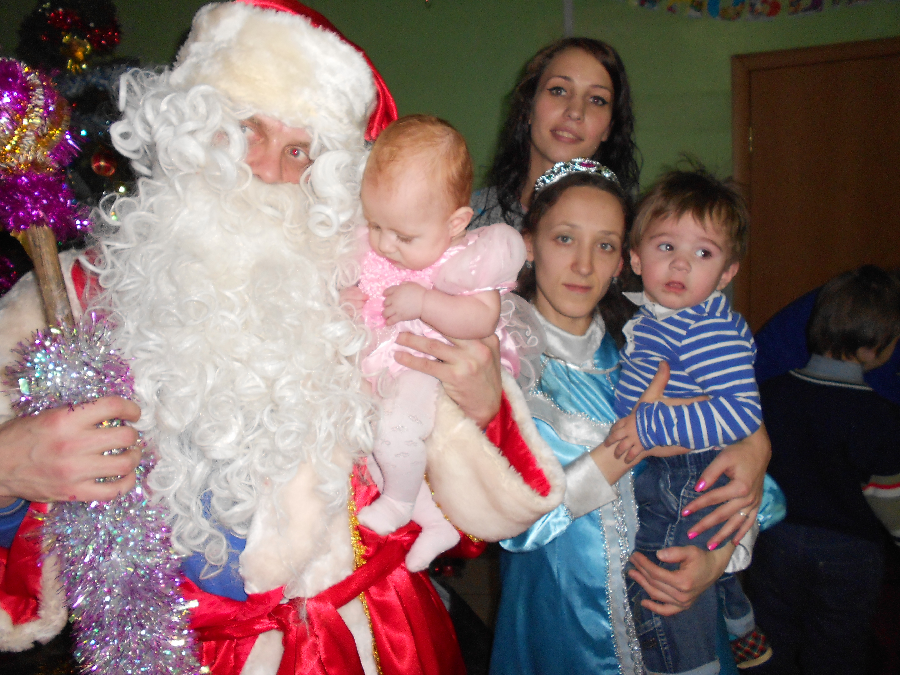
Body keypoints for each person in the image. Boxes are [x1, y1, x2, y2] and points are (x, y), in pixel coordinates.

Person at [0, 2, 567, 671]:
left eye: (299, 150)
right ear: (191, 126)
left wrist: (480, 408)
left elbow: (469, 531)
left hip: (366, 641)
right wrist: (6, 468)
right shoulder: (71, 300)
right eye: (247, 129)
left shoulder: (378, 294)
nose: (266, 169)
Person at [491, 160, 769, 675]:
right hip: (564, 628)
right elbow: (509, 523)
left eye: (604, 245)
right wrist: (625, 449)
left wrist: (715, 560)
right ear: (529, 244)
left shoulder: (643, 352)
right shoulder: (498, 363)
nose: (583, 265)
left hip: (679, 612)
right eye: (564, 239)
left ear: (625, 260)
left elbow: (753, 490)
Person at [604, 166, 766, 674]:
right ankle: (740, 624)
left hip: (683, 473)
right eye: (666, 246)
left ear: (726, 274)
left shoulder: (705, 329)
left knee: (662, 583)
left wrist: (649, 426)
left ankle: (690, 663)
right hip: (673, 466)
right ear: (636, 257)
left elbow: (741, 411)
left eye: (703, 253)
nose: (681, 263)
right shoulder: (659, 317)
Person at [348, 115, 526, 571]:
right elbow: (361, 289)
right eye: (376, 225)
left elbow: (482, 317)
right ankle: (434, 521)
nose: (386, 244)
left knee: (396, 431)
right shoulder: (380, 245)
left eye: (403, 236)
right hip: (381, 363)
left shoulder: (464, 260)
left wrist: (425, 302)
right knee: (370, 446)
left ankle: (398, 503)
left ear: (456, 222)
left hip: (424, 361)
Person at [746, 265, 900, 675]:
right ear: (876, 347)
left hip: (775, 540)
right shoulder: (882, 416)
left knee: (770, 640)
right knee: (837, 650)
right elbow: (888, 500)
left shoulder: (769, 393)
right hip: (850, 553)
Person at [470, 37, 640, 232]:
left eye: (597, 100)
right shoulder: (465, 220)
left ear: (609, 128)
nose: (575, 112)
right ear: (528, 108)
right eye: (559, 90)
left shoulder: (632, 234)